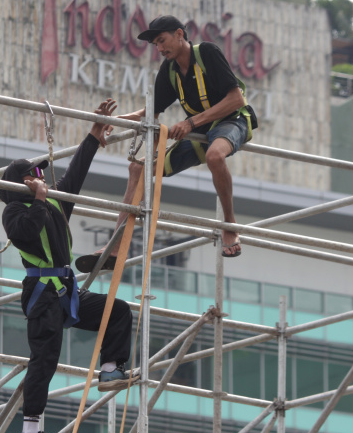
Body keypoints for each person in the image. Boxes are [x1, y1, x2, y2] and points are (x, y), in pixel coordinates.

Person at [0, 98, 135, 433]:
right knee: (45, 359)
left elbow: (76, 173)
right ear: (25, 182)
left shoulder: (56, 202)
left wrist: (94, 133)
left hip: (64, 289)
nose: (44, 178)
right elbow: (27, 230)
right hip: (42, 293)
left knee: (116, 311)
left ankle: (110, 368)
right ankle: (31, 430)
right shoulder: (15, 210)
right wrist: (40, 201)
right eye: (37, 174)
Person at [76, 15, 257, 273]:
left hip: (232, 121)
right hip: (200, 132)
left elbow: (236, 99)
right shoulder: (170, 70)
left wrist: (191, 123)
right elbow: (150, 113)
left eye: (162, 41)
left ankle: (229, 224)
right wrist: (110, 120)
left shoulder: (207, 52)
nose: (160, 49)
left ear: (180, 34)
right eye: (156, 45)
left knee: (216, 156)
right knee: (138, 170)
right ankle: (116, 247)